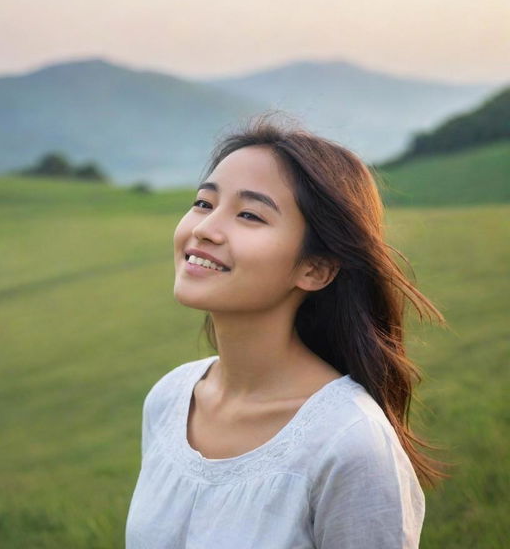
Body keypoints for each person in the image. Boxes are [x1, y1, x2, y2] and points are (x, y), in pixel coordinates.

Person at [125, 114, 449, 548]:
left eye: (249, 215)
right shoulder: (170, 399)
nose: (203, 229)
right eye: (204, 203)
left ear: (315, 268)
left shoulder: (350, 443)